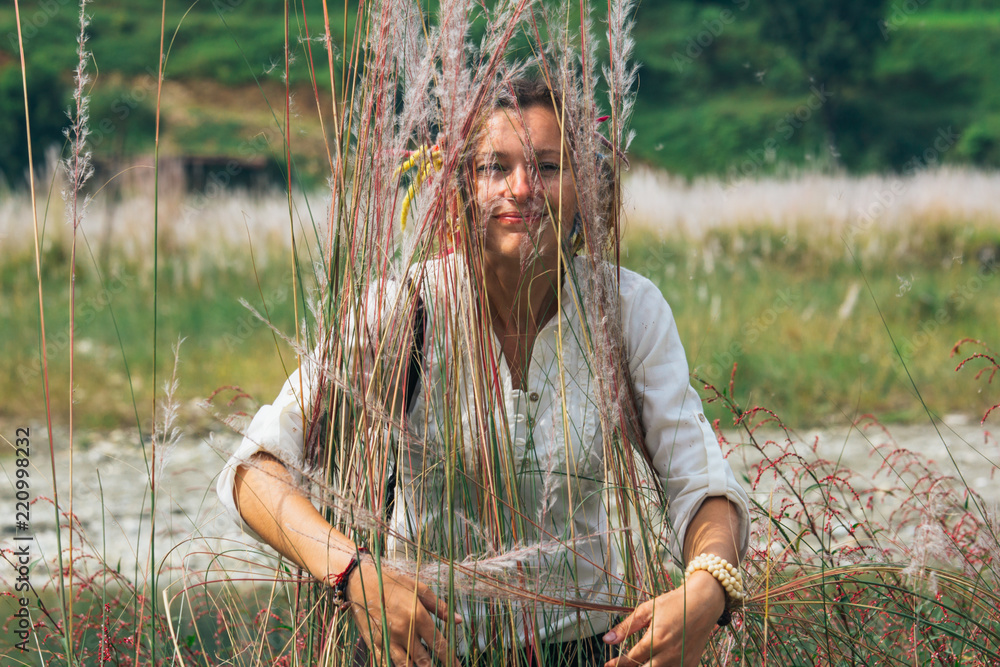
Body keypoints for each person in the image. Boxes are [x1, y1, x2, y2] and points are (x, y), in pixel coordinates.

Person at [217, 78, 750, 667]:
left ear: (584, 187)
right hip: (429, 652)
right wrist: (353, 573)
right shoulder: (406, 309)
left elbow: (702, 482)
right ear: (463, 188)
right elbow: (255, 472)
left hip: (589, 650)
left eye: (548, 167)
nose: (522, 189)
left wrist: (708, 584)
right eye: (496, 167)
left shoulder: (624, 310)